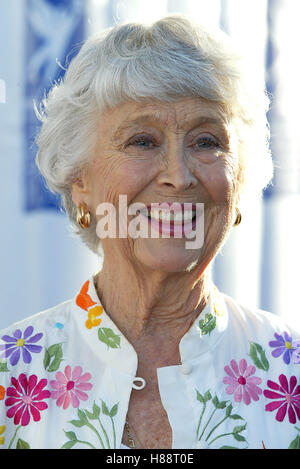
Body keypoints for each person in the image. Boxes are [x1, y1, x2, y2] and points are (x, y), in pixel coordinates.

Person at [0, 15, 299, 450]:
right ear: (80, 180)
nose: (178, 176)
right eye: (143, 141)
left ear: (241, 182)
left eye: (206, 141)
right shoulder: (11, 378)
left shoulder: (288, 373)